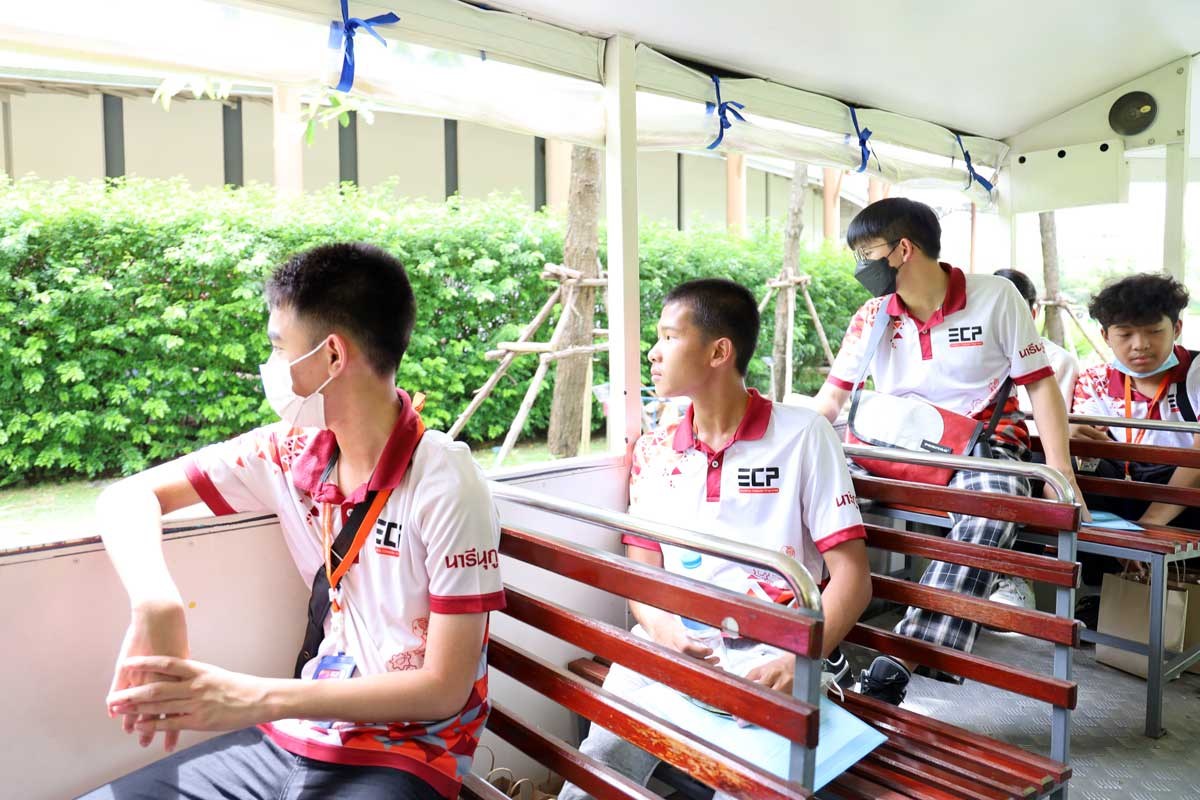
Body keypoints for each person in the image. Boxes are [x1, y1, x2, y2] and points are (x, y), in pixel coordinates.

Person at [82, 243, 505, 800]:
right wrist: (156, 606)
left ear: (332, 356)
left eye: (279, 347)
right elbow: (128, 497)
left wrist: (254, 698)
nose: (272, 366)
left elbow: (444, 689)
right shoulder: (288, 452)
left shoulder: (446, 481)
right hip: (298, 732)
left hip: (407, 754)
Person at [558, 279, 872, 800]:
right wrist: (662, 630)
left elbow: (853, 579)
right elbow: (643, 566)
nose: (653, 353)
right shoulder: (655, 449)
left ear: (719, 352)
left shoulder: (803, 437)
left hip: (774, 654)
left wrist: (797, 662)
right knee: (599, 763)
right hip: (672, 643)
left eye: (668, 337)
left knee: (747, 787)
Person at [812, 198, 1086, 705]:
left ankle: (904, 658)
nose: (860, 267)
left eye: (866, 253)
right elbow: (832, 399)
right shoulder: (873, 314)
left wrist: (1059, 474)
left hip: (980, 447)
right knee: (804, 489)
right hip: (893, 448)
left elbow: (1040, 384)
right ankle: (812, 636)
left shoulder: (995, 297)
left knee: (996, 502)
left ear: (903, 249)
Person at [1071, 273, 1200, 534]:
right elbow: (1086, 447)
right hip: (1126, 484)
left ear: (1176, 329)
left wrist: (1150, 523)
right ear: (1106, 336)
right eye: (1125, 334)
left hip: (1185, 494)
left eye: (1154, 331)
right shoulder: (1095, 382)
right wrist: (1075, 441)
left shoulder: (1196, 374)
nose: (1140, 345)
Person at [988, 268, 1081, 608]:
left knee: (1031, 473)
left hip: (1034, 452)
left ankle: (1015, 577)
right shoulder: (979, 352)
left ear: (1033, 311)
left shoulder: (1058, 360)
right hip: (994, 449)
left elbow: (1055, 426)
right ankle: (987, 573)